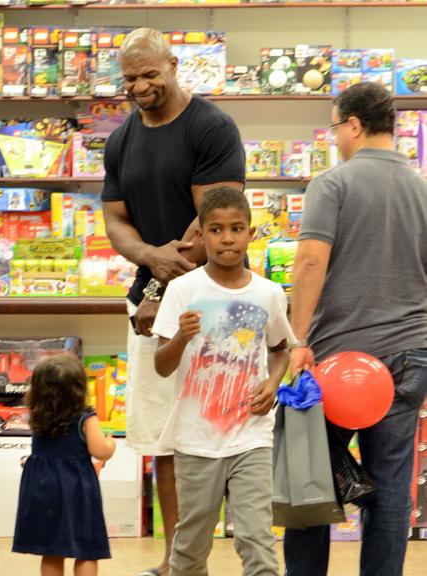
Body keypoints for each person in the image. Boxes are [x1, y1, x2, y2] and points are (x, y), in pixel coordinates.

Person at [102, 28, 245, 576]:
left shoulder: (210, 128)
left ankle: (199, 557)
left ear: (173, 64)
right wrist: (147, 257)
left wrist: (161, 285)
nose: (139, 86)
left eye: (149, 74)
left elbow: (214, 223)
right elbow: (115, 217)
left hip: (212, 304)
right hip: (147, 302)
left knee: (212, 436)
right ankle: (176, 563)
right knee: (163, 438)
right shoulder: (121, 140)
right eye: (130, 78)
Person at [285, 82, 427, 576]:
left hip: (337, 362)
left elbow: (309, 263)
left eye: (335, 127)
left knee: (311, 482)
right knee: (390, 489)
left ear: (353, 125)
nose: (335, 139)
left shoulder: (333, 183)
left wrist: (298, 340)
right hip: (410, 355)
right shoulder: (422, 188)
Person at [153, 187, 292, 576]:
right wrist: (181, 336)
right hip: (197, 440)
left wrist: (274, 381)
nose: (227, 238)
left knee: (258, 544)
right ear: (202, 235)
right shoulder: (183, 290)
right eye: (215, 229)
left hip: (251, 436)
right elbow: (162, 365)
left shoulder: (268, 293)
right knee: (190, 550)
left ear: (250, 232)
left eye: (236, 228)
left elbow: (280, 349)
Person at [12, 354, 116, 576]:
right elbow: (99, 451)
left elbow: (49, 452)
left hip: (42, 487)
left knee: (51, 549)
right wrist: (110, 444)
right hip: (77, 487)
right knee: (86, 548)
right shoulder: (85, 417)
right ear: (79, 388)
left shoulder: (37, 416)